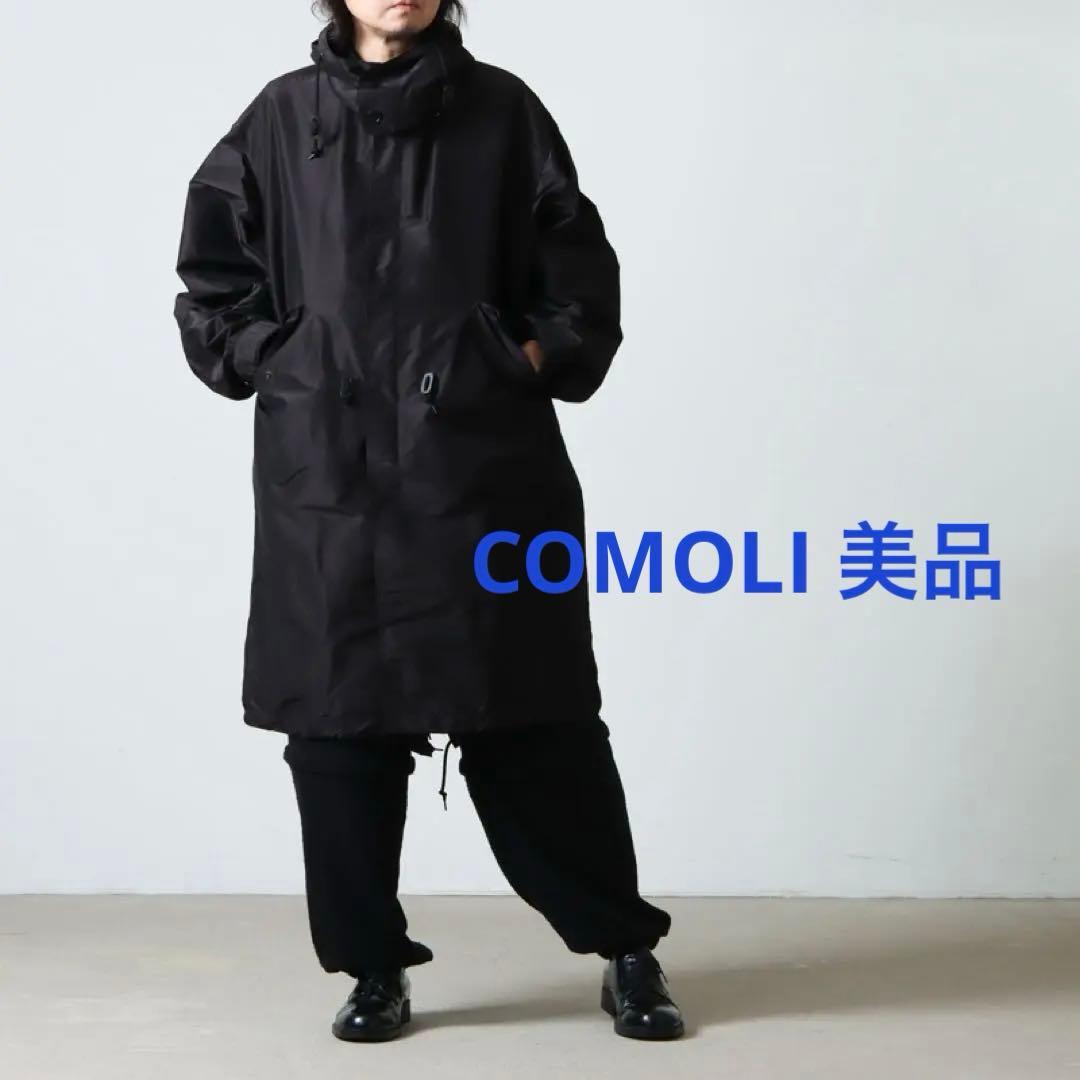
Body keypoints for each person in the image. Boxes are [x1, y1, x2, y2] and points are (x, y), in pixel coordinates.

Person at [173, 0, 684, 1042]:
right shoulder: (281, 118)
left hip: (485, 467)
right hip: (331, 475)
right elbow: (212, 278)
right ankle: (371, 967)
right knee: (337, 735)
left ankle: (625, 948)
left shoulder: (503, 112)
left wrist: (522, 357)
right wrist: (281, 358)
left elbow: (577, 269)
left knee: (537, 720)